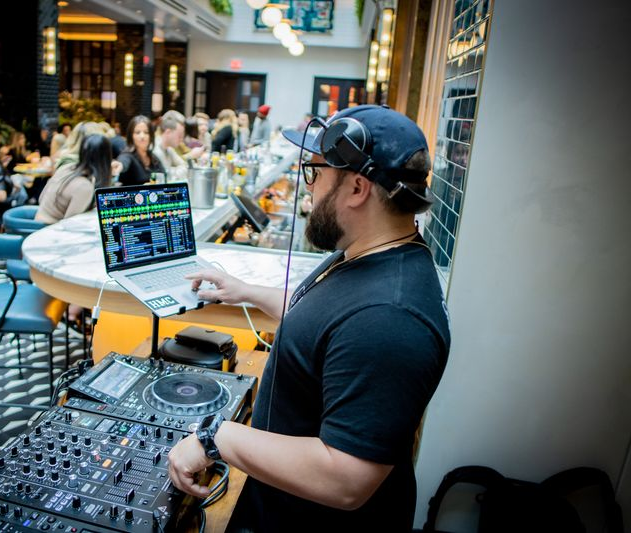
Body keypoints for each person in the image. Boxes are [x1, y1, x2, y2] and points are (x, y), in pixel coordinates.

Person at [167, 105, 451, 531]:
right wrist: (245, 291)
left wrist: (217, 439)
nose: (309, 189)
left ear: (357, 188)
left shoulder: (392, 319)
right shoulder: (372, 253)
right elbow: (330, 323)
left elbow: (346, 478)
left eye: (315, 174)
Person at [35, 134, 113, 224]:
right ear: (107, 158)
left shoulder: (67, 168)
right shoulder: (84, 186)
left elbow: (41, 198)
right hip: (50, 230)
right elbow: (71, 225)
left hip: (37, 223)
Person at [115, 115, 165, 186]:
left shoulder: (153, 157)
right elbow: (123, 163)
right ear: (131, 136)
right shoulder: (127, 155)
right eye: (137, 132)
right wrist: (119, 166)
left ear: (151, 136)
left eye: (146, 132)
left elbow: (163, 176)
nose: (142, 136)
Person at [153, 114, 189, 181]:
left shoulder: (169, 148)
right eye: (179, 136)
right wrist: (174, 170)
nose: (181, 140)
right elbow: (165, 176)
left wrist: (171, 170)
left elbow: (185, 165)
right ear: (168, 132)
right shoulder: (155, 150)